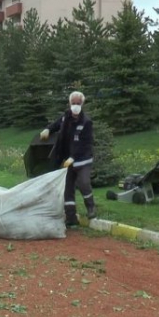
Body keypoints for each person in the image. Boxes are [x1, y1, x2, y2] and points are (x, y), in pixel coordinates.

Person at [40, 91, 96, 227]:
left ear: (82, 104)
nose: (75, 106)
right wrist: (48, 130)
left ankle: (91, 208)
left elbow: (86, 144)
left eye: (78, 103)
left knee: (83, 183)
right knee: (67, 189)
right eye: (73, 103)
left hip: (82, 161)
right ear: (69, 103)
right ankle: (71, 218)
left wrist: (73, 157)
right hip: (67, 162)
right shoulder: (66, 117)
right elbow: (56, 125)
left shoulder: (86, 122)